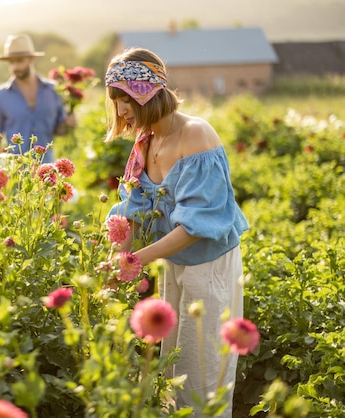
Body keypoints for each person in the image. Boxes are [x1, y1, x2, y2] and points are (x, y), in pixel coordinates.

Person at [104, 47, 249, 417]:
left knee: (202, 371)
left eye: (126, 99)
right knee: (173, 365)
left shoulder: (195, 135)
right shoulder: (146, 140)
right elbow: (132, 211)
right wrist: (112, 264)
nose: (120, 110)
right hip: (173, 264)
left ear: (150, 93)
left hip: (208, 266)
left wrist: (135, 260)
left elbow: (196, 227)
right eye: (115, 100)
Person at [0, 34, 76, 162]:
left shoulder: (53, 90)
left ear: (31, 59)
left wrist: (68, 124)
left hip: (47, 171)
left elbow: (60, 130)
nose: (15, 67)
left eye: (19, 61)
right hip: (16, 173)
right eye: (11, 62)